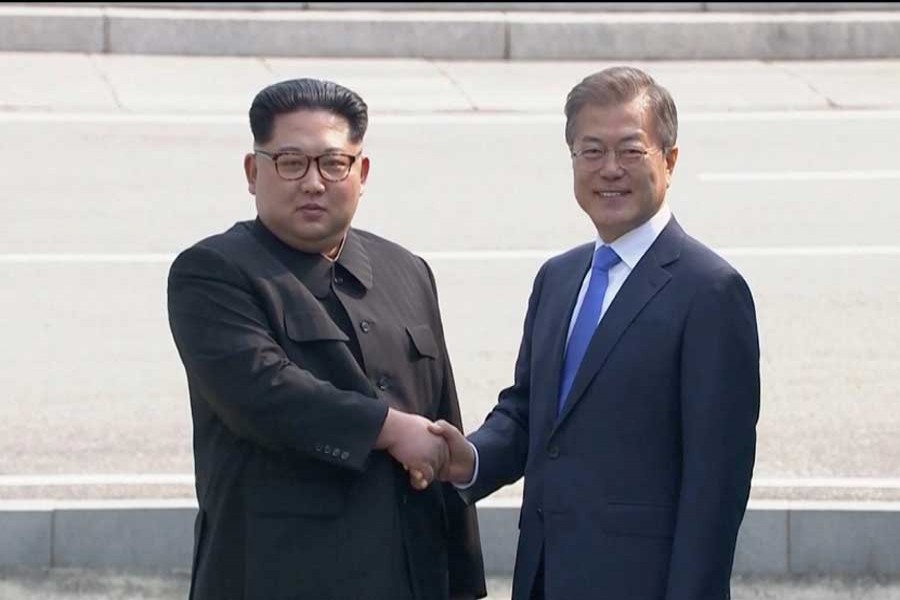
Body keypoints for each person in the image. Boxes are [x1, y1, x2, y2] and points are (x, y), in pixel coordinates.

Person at [428, 66, 760, 600]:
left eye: (631, 151)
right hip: (544, 575)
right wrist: (470, 457)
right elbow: (528, 412)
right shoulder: (558, 278)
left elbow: (715, 487)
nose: (610, 170)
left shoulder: (710, 292)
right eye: (591, 151)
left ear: (669, 161)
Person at [167, 78, 486, 600]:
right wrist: (388, 428)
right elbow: (264, 392)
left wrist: (464, 584)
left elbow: (442, 422)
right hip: (277, 576)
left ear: (361, 173)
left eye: (333, 164)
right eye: (291, 162)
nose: (313, 182)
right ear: (253, 172)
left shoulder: (406, 270)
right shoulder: (213, 273)